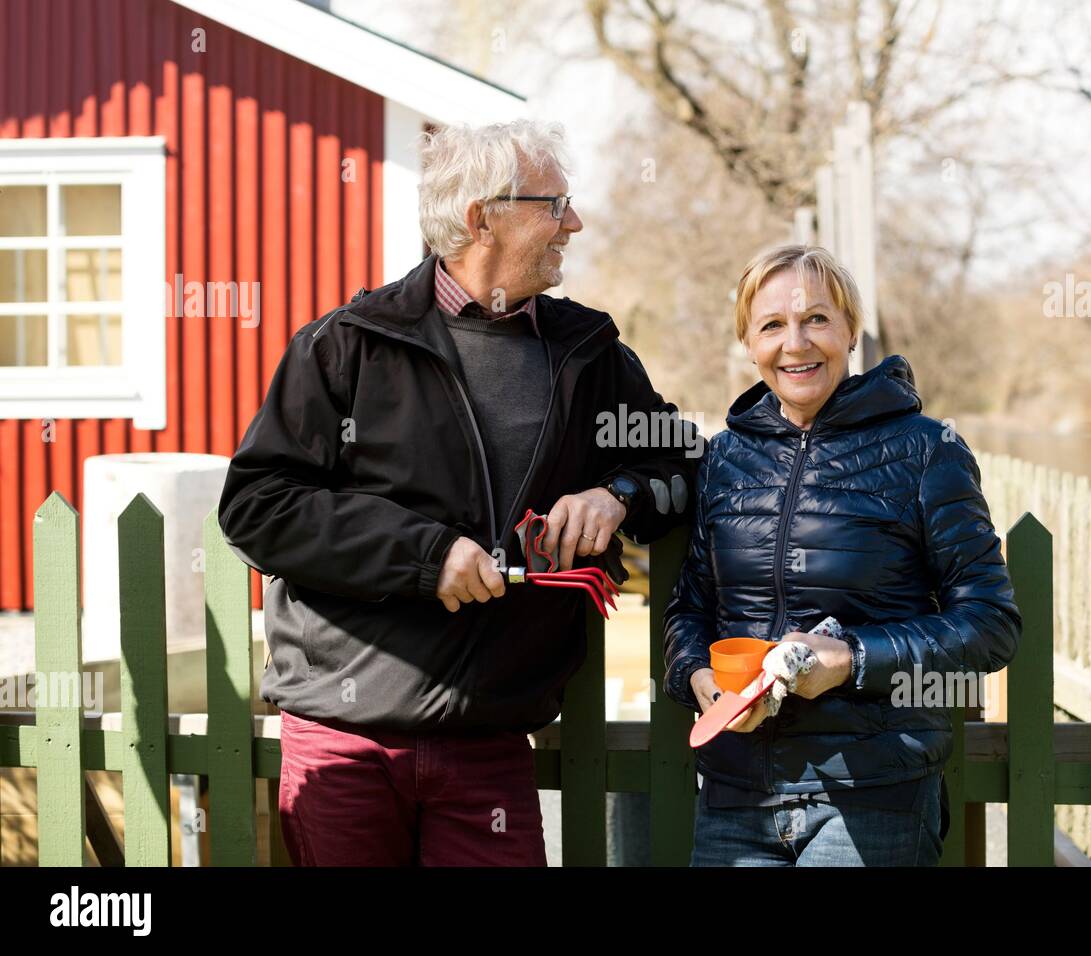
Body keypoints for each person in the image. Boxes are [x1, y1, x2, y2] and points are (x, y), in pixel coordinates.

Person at [218, 120, 700, 866]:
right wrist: (423, 556)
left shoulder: (588, 354)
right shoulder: (347, 345)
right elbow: (258, 506)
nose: (574, 222)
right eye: (555, 204)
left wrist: (621, 494)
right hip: (345, 742)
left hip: (491, 746)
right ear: (482, 218)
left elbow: (686, 462)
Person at [663, 244, 1021, 866]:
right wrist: (700, 680)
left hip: (873, 794)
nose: (795, 343)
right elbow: (688, 610)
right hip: (736, 792)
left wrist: (852, 659)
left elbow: (990, 625)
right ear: (748, 342)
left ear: (852, 331)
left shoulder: (925, 450)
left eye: (816, 320)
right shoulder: (722, 460)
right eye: (772, 324)